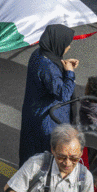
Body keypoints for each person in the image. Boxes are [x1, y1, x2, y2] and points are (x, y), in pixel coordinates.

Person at [5, 125, 95, 192]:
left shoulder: (86, 177)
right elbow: (11, 189)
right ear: (53, 150)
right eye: (61, 157)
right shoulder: (36, 164)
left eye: (74, 158)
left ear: (81, 153)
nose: (67, 163)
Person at [19, 25, 77, 164]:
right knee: (45, 159)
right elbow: (63, 94)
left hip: (34, 114)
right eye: (67, 44)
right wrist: (70, 73)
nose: (68, 48)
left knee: (31, 154)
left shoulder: (38, 54)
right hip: (47, 120)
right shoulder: (49, 67)